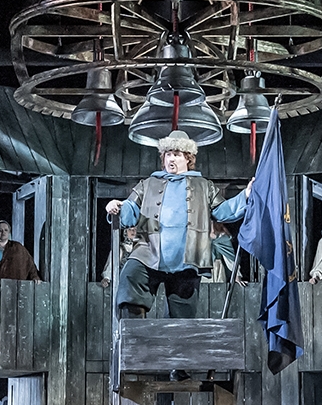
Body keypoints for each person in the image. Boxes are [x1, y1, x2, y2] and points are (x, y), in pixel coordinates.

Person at [103, 129, 250, 318]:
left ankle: (177, 337)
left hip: (187, 258)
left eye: (177, 154)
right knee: (131, 281)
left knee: (182, 315)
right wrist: (117, 207)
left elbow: (223, 211)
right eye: (168, 154)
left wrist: (245, 196)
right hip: (149, 252)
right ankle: (133, 332)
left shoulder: (203, 186)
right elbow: (130, 211)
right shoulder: (148, 184)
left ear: (188, 158)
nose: (171, 159)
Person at [0, 220, 42, 287]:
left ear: (9, 232)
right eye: (0, 230)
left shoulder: (18, 247)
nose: (3, 232)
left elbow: (29, 263)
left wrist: (35, 277)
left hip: (13, 286)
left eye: (6, 230)